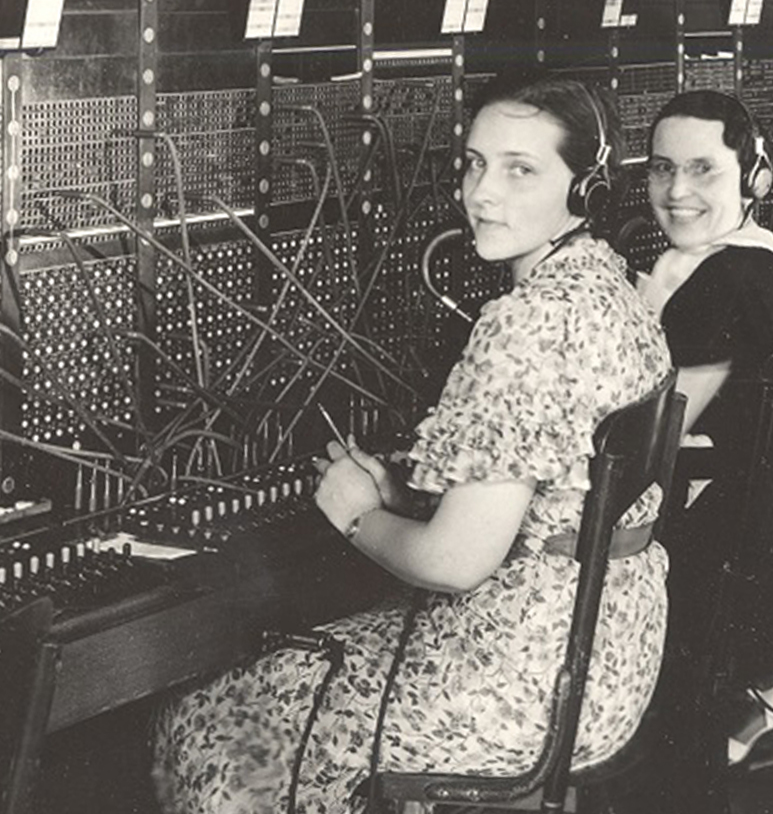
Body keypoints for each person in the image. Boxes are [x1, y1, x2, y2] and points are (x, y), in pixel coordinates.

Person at [153, 74, 672, 813]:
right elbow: (558, 494)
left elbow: (454, 564)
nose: (482, 193)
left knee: (220, 718)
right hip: (607, 664)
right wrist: (407, 496)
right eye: (473, 163)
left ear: (586, 188)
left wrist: (356, 513)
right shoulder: (612, 289)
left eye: (521, 169)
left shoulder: (527, 326)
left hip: (517, 687)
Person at [636, 90, 773, 765]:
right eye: (661, 168)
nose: (676, 190)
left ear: (754, 178)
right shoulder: (755, 258)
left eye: (702, 170)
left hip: (733, 553)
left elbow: (649, 438)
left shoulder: (727, 278)